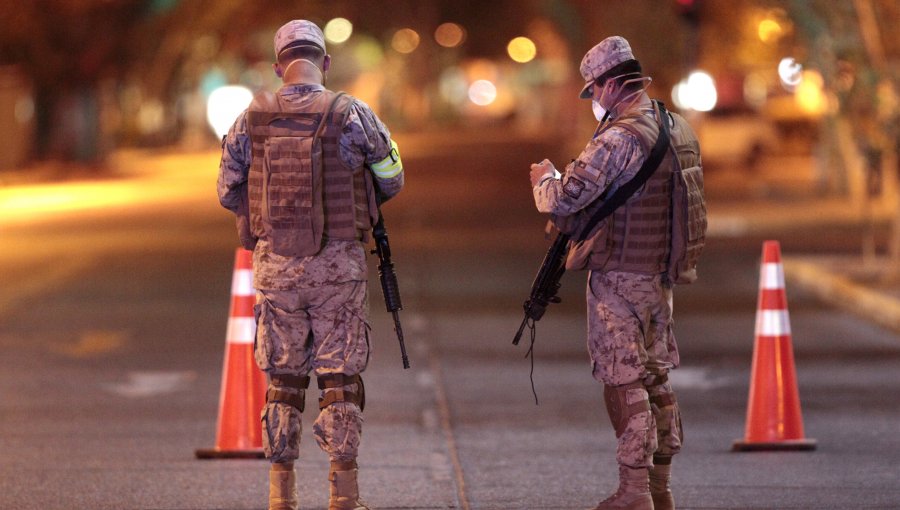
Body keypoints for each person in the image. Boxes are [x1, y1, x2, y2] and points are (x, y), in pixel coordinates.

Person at [217, 19, 404, 510]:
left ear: (279, 66)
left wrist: (260, 217)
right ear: (325, 62)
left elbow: (226, 188)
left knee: (283, 380)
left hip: (276, 270)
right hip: (338, 267)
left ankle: (282, 494)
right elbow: (392, 175)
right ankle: (344, 495)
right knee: (339, 381)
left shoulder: (250, 117)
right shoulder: (351, 113)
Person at [529, 36, 703, 510]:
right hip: (659, 275)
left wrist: (545, 177)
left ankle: (634, 492)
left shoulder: (619, 137)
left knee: (623, 381)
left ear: (608, 86)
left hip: (618, 276)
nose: (594, 101)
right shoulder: (678, 127)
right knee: (655, 377)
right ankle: (661, 488)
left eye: (593, 91)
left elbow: (564, 200)